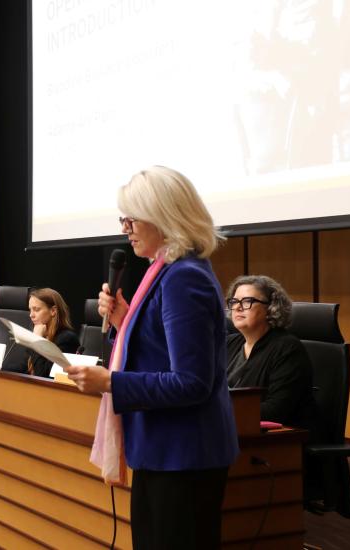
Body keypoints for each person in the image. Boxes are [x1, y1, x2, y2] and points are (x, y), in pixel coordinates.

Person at [66, 166, 239, 549]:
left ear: (163, 216)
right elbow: (161, 350)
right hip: (166, 451)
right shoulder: (163, 271)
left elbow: (191, 381)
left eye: (131, 218)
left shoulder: (182, 276)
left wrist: (109, 382)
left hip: (184, 455)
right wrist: (123, 320)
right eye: (123, 218)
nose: (125, 228)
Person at [225, 274, 316, 429]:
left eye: (248, 301)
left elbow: (276, 410)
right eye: (234, 301)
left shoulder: (287, 349)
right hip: (234, 428)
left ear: (271, 307)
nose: (238, 307)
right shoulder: (230, 343)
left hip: (278, 440)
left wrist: (220, 411)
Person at [24, 288, 80, 378]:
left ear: (53, 311)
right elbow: (24, 369)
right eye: (30, 310)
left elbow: (43, 375)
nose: (31, 315)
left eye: (36, 309)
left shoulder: (67, 339)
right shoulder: (38, 333)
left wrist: (37, 340)